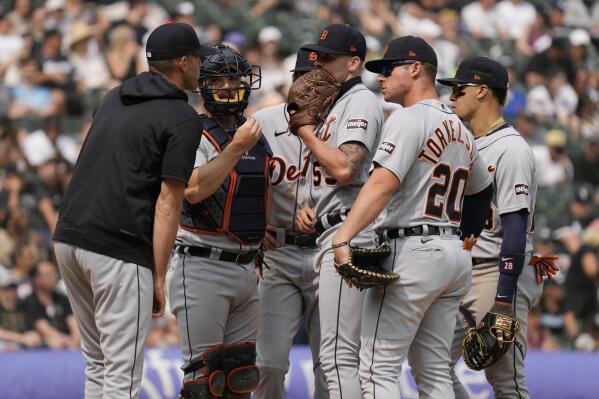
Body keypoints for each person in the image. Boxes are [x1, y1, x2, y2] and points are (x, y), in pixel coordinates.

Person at [52, 22, 211, 399]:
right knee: (121, 376)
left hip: (69, 236)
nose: (201, 67)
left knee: (98, 365)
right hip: (117, 247)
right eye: (198, 60)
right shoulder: (182, 116)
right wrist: (157, 276)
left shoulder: (113, 95)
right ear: (184, 62)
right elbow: (171, 200)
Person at [331, 37, 493, 398]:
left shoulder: (408, 118)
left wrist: (342, 237)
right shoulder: (459, 128)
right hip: (451, 254)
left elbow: (382, 184)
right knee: (434, 372)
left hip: (413, 251)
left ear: (416, 69)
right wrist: (462, 238)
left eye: (388, 69)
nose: (381, 78)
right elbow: (482, 191)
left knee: (378, 368)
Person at [168, 44, 270, 399]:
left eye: (234, 77)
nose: (228, 86)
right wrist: (237, 147)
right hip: (202, 264)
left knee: (242, 376)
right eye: (218, 79)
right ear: (202, 86)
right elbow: (193, 189)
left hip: (247, 266)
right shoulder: (191, 130)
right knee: (203, 382)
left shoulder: (254, 133)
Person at [437, 56, 540, 399]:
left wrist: (503, 299)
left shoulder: (511, 149)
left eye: (458, 89)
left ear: (482, 91)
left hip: (496, 271)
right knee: (431, 365)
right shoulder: (465, 143)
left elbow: (515, 227)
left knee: (507, 381)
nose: (452, 97)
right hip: (463, 271)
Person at [294, 23, 384, 399]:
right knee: (338, 356)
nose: (321, 65)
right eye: (319, 57)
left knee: (338, 358)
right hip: (333, 228)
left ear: (354, 63)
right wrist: (308, 205)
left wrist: (306, 131)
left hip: (350, 231)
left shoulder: (360, 100)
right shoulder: (335, 103)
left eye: (330, 58)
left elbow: (347, 168)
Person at [252, 49, 328, 399]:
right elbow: (236, 177)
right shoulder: (263, 122)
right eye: (303, 77)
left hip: (327, 254)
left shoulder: (346, 124)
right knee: (267, 364)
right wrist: (255, 223)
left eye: (318, 79)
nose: (309, 86)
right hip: (278, 254)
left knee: (330, 365)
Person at [23, 260, 79, 349]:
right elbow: (44, 329)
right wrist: (67, 341)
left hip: (69, 344)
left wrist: (75, 339)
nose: (53, 277)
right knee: (54, 342)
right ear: (36, 279)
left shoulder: (62, 299)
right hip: (46, 346)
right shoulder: (30, 301)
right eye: (48, 274)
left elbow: (73, 323)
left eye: (54, 273)